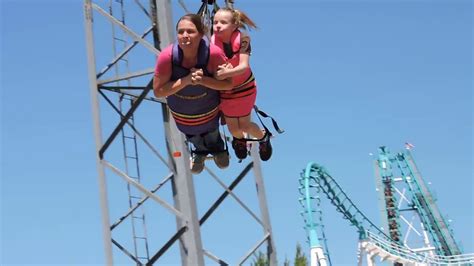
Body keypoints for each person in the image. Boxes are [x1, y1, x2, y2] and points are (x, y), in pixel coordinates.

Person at [153, 14, 233, 174]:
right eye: (181, 32)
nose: (185, 36)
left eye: (190, 31)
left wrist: (203, 81)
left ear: (201, 33)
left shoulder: (213, 54)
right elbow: (158, 91)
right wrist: (187, 80)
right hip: (184, 114)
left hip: (208, 109)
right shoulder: (167, 57)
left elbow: (228, 83)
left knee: (211, 131)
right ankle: (200, 150)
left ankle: (216, 146)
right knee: (191, 134)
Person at [211, 8, 272, 161]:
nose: (217, 25)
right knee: (234, 130)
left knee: (244, 126)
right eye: (215, 22)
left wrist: (226, 73)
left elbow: (244, 66)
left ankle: (263, 137)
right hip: (226, 90)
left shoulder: (243, 39)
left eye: (223, 23)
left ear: (234, 25)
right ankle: (240, 140)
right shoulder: (212, 42)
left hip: (245, 88)